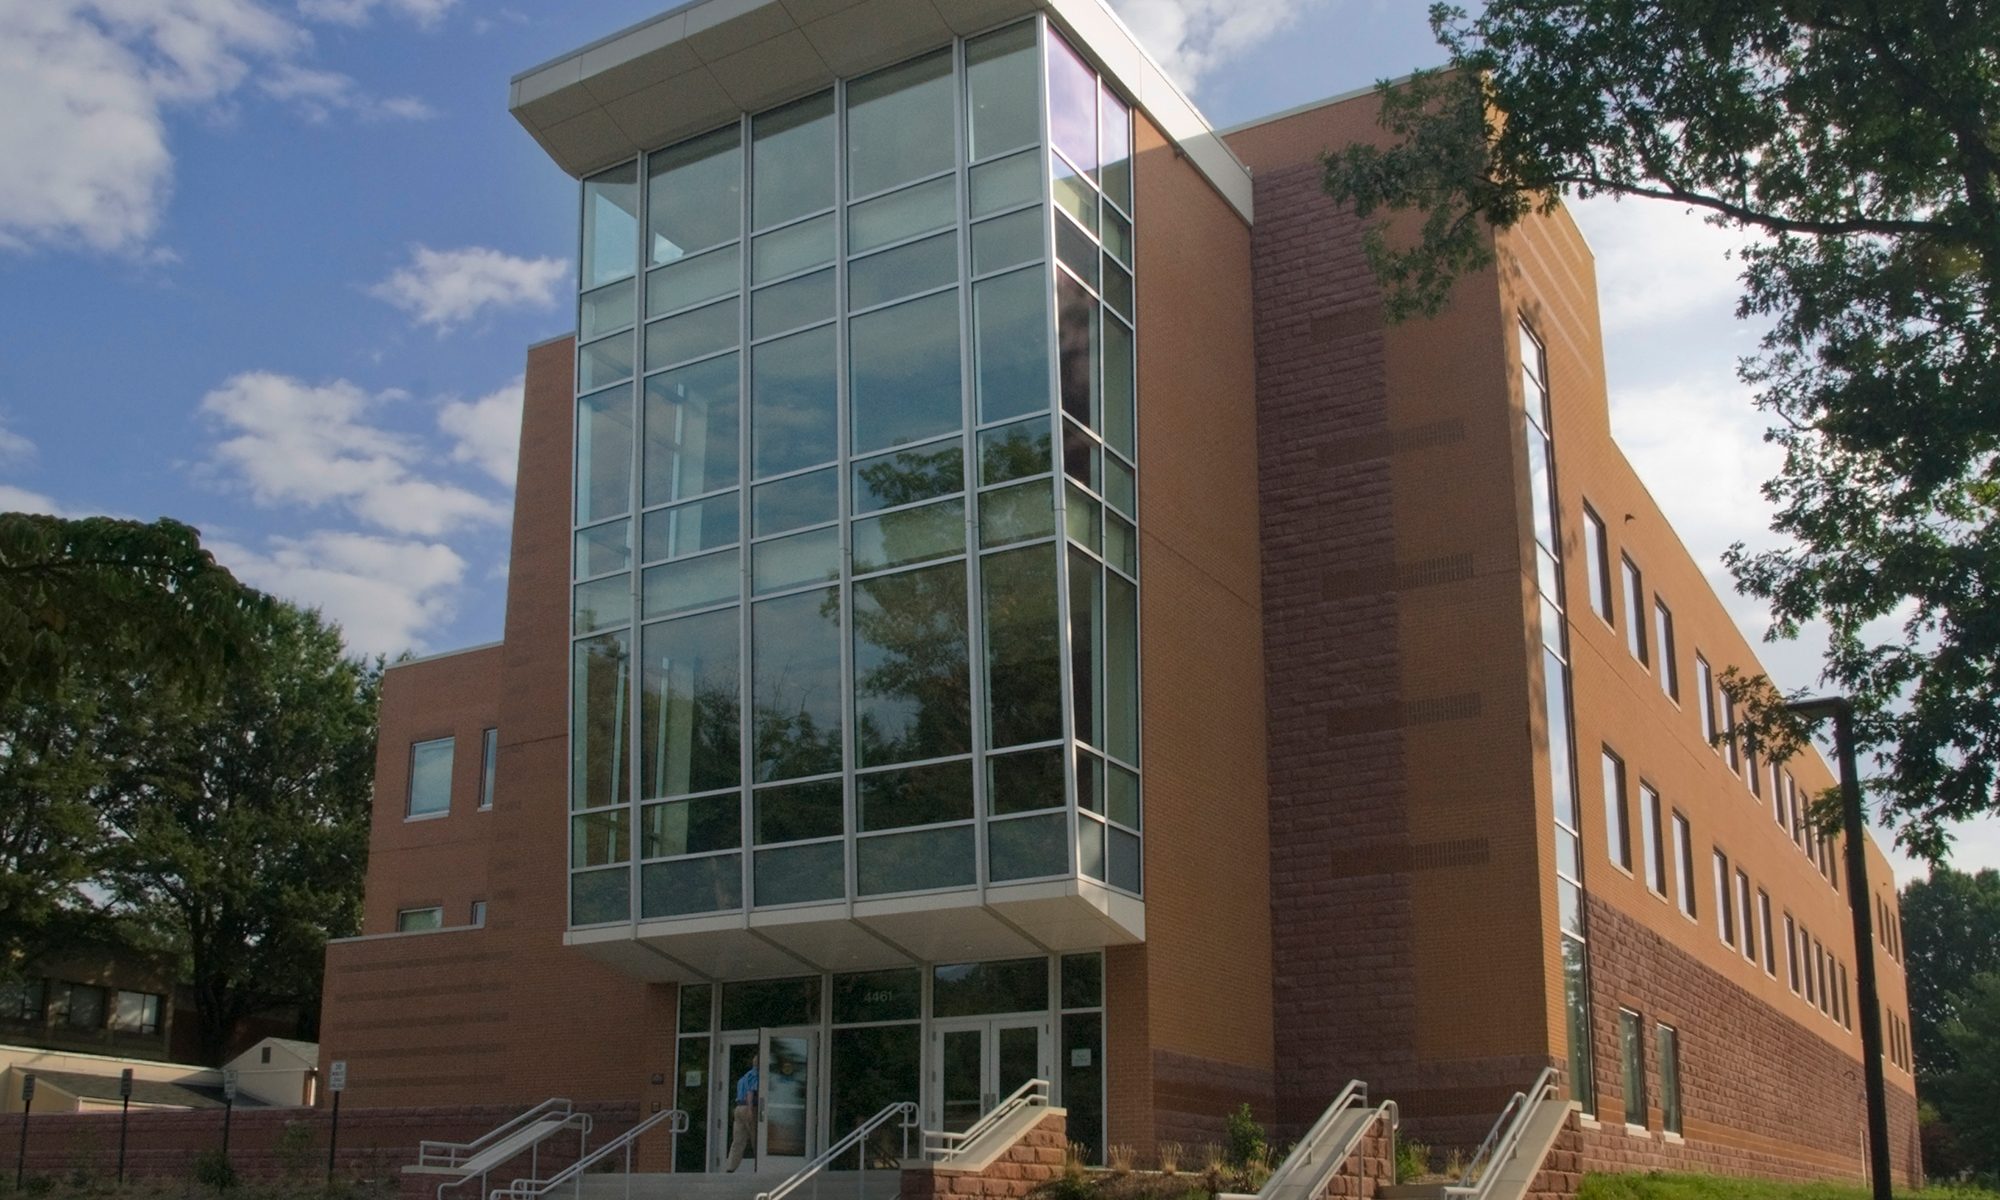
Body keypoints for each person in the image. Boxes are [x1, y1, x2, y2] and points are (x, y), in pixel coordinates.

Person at [724, 1062, 758, 1171]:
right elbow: (750, 1092)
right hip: (749, 1107)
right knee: (756, 1139)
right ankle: (761, 1165)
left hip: (738, 1108)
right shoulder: (756, 1076)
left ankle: (730, 1168)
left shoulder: (744, 1077)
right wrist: (750, 1109)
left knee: (738, 1140)